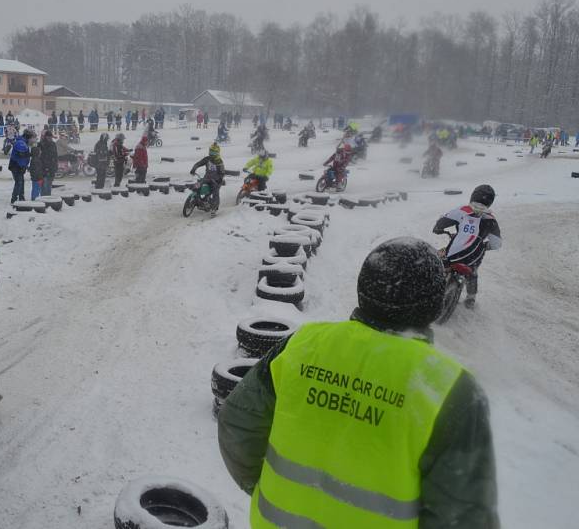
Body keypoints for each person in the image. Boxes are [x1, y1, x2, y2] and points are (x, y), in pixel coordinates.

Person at [218, 237, 499, 529]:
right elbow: (464, 515)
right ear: (435, 303)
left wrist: (265, 488)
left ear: (363, 289)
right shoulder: (450, 389)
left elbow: (238, 424)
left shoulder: (303, 345)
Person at [433, 185, 502, 309]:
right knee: (473, 272)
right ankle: (470, 298)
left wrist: (438, 228)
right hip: (474, 257)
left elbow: (443, 221)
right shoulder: (491, 220)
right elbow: (497, 243)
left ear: (473, 195)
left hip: (454, 254)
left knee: (439, 262)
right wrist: (485, 245)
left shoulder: (463, 210)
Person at [189, 143, 225, 215]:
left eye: (214, 152)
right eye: (211, 152)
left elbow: (222, 173)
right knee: (198, 185)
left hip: (216, 180)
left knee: (215, 192)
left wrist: (219, 179)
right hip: (207, 178)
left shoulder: (219, 162)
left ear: (217, 153)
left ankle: (214, 208)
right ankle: (196, 199)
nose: (212, 154)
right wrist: (194, 169)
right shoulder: (207, 159)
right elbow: (198, 163)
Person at [8, 129, 32, 204]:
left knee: (21, 181)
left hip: (19, 165)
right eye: (30, 137)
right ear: (27, 136)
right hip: (16, 165)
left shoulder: (24, 142)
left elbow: (25, 157)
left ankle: (21, 196)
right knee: (19, 182)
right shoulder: (20, 143)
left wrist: (25, 166)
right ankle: (14, 199)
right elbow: (21, 156)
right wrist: (23, 166)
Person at [40, 130, 58, 197]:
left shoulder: (53, 144)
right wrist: (45, 166)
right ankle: (43, 198)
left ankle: (48, 199)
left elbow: (55, 156)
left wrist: (56, 166)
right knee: (44, 185)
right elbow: (41, 157)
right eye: (48, 137)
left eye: (51, 137)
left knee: (49, 184)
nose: (50, 138)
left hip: (51, 167)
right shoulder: (41, 144)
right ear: (45, 137)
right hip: (43, 168)